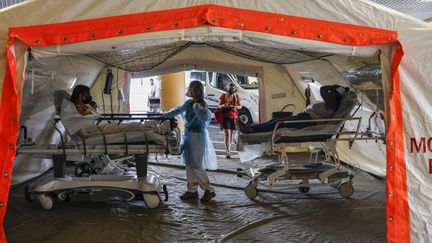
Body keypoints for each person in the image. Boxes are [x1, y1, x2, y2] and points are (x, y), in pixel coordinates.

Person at [163, 80, 217, 202]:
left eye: (191, 88)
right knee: (189, 163)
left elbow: (204, 117)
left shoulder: (202, 104)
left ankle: (209, 189)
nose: (189, 90)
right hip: (188, 135)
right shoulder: (189, 103)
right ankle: (192, 190)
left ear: (195, 90)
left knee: (196, 164)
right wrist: (164, 115)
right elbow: (177, 110)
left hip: (197, 136)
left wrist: (197, 107)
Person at [240, 85, 348, 133]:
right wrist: (307, 98)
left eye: (333, 92)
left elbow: (323, 89)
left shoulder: (333, 105)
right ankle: (252, 127)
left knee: (279, 122)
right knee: (275, 120)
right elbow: (310, 109)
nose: (330, 93)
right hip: (304, 117)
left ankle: (251, 130)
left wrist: (333, 86)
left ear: (336, 96)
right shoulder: (329, 103)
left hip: (307, 122)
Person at [219, 82, 242, 158]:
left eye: (233, 88)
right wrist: (225, 105)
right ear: (227, 88)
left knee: (231, 135)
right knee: (227, 134)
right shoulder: (223, 95)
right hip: (225, 117)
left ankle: (229, 149)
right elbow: (219, 106)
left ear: (235, 89)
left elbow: (240, 106)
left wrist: (235, 107)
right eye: (230, 88)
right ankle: (228, 151)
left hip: (233, 117)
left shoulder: (236, 96)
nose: (231, 89)